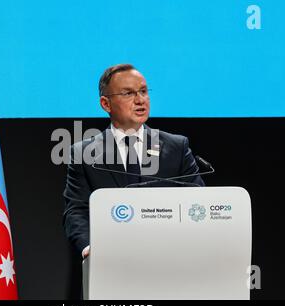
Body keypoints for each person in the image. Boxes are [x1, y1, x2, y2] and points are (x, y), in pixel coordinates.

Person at [63, 64, 204, 259]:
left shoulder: (176, 147)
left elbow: (198, 202)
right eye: (128, 93)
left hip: (168, 260)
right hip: (112, 262)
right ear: (105, 104)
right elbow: (76, 211)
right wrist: (88, 247)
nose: (140, 100)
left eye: (144, 91)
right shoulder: (84, 154)